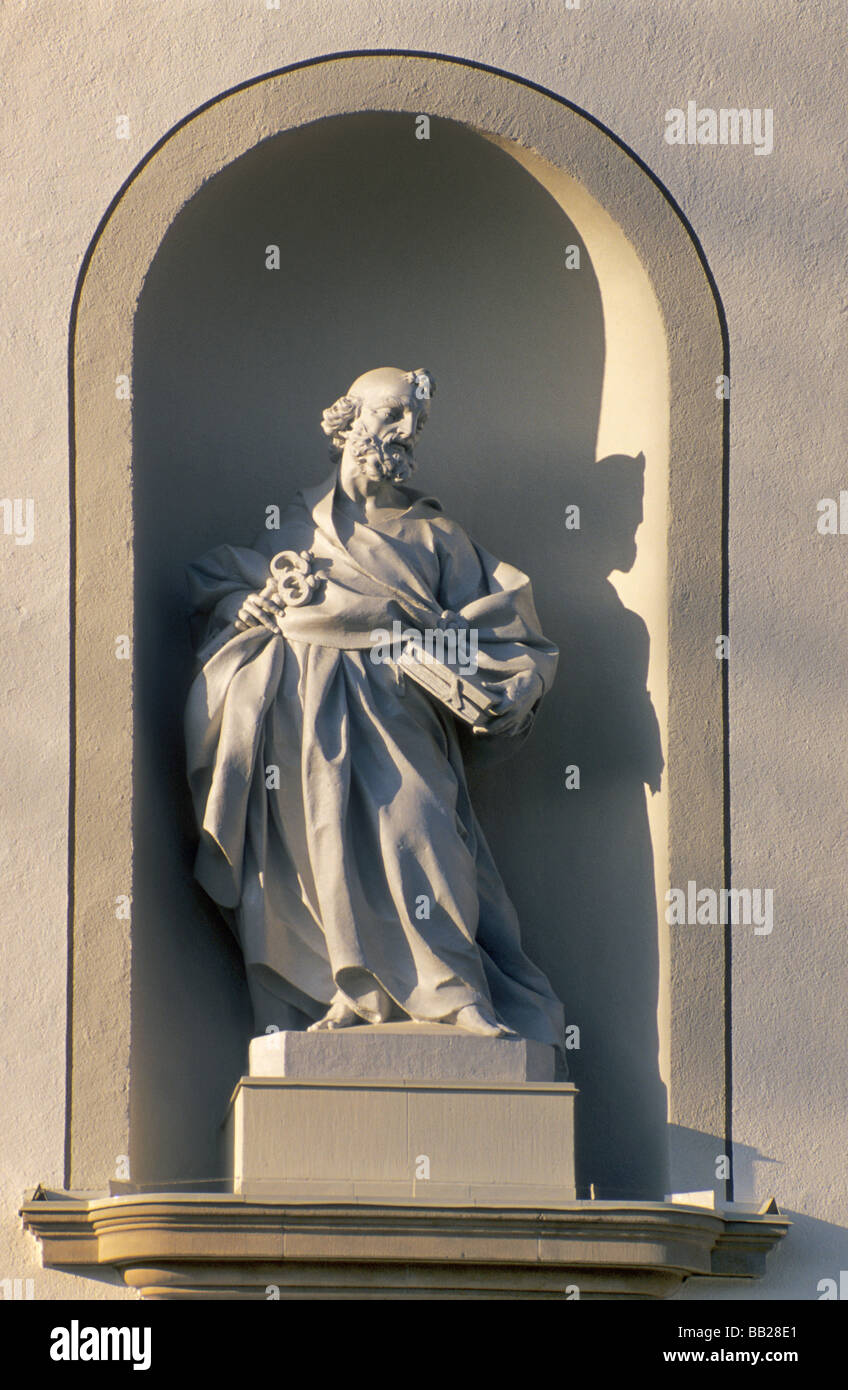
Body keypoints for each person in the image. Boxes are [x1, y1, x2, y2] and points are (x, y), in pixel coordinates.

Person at [185, 366, 564, 1046]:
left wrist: (484, 673)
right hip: (304, 722)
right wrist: (247, 612)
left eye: (414, 422)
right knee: (320, 852)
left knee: (424, 832)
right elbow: (227, 598)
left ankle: (455, 993)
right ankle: (344, 993)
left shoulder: (436, 535)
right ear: (346, 421)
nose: (406, 431)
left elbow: (505, 625)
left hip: (400, 713)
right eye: (391, 415)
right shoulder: (296, 528)